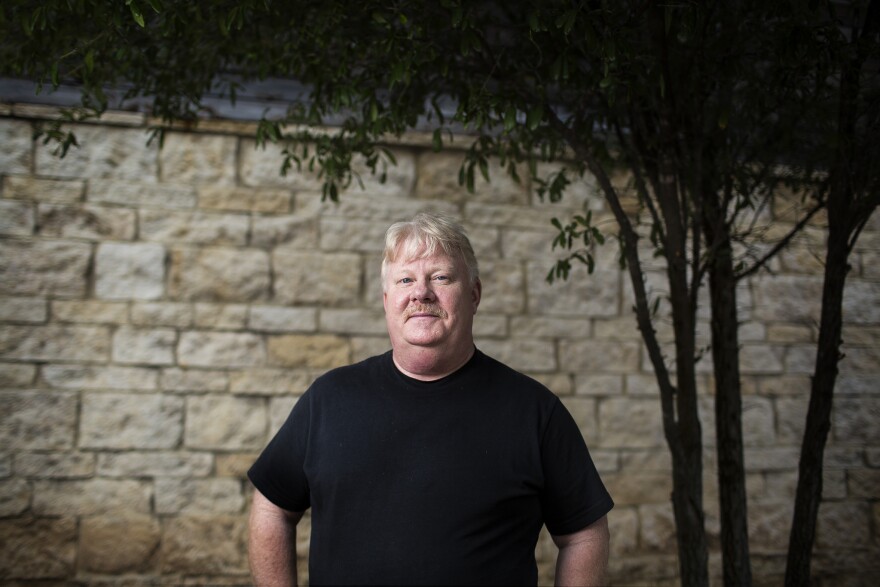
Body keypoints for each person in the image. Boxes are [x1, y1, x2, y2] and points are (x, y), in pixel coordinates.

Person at [248, 212, 613, 586]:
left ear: (474, 294)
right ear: (387, 299)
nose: (421, 293)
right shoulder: (329, 400)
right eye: (406, 279)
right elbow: (272, 507)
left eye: (440, 277)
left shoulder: (535, 412)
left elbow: (584, 534)